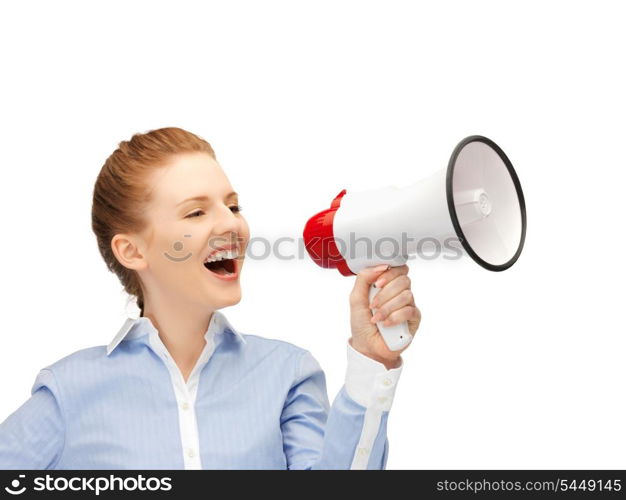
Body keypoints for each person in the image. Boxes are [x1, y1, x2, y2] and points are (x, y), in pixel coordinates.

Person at [0, 127, 421, 469]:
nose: (232, 225)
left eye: (234, 207)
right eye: (196, 212)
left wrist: (374, 360)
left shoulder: (287, 375)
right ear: (132, 250)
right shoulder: (70, 389)